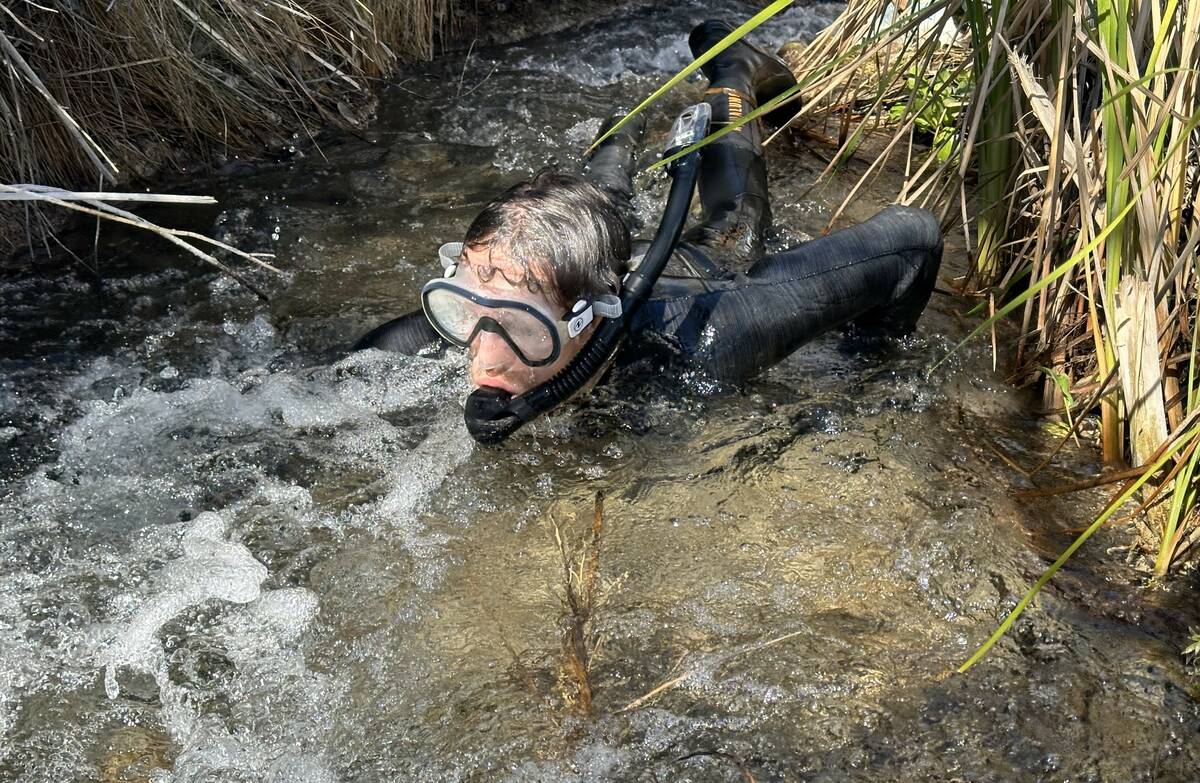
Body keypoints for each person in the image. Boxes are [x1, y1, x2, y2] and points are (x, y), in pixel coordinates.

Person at [355, 20, 943, 424]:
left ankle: (735, 66)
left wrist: (869, 366)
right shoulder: (494, 300)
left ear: (587, 321)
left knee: (736, 215)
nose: (483, 360)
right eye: (466, 310)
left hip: (702, 275)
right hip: (571, 261)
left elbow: (913, 238)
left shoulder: (713, 341)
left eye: (522, 330)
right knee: (601, 189)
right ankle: (628, 114)